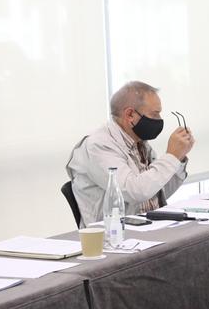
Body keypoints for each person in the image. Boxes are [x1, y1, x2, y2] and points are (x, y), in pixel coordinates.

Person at [66, 80, 195, 225]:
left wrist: (179, 158)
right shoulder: (98, 146)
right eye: (155, 114)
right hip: (114, 238)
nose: (160, 120)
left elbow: (157, 191)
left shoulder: (140, 143)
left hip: (149, 229)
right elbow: (135, 191)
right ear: (130, 115)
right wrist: (172, 156)